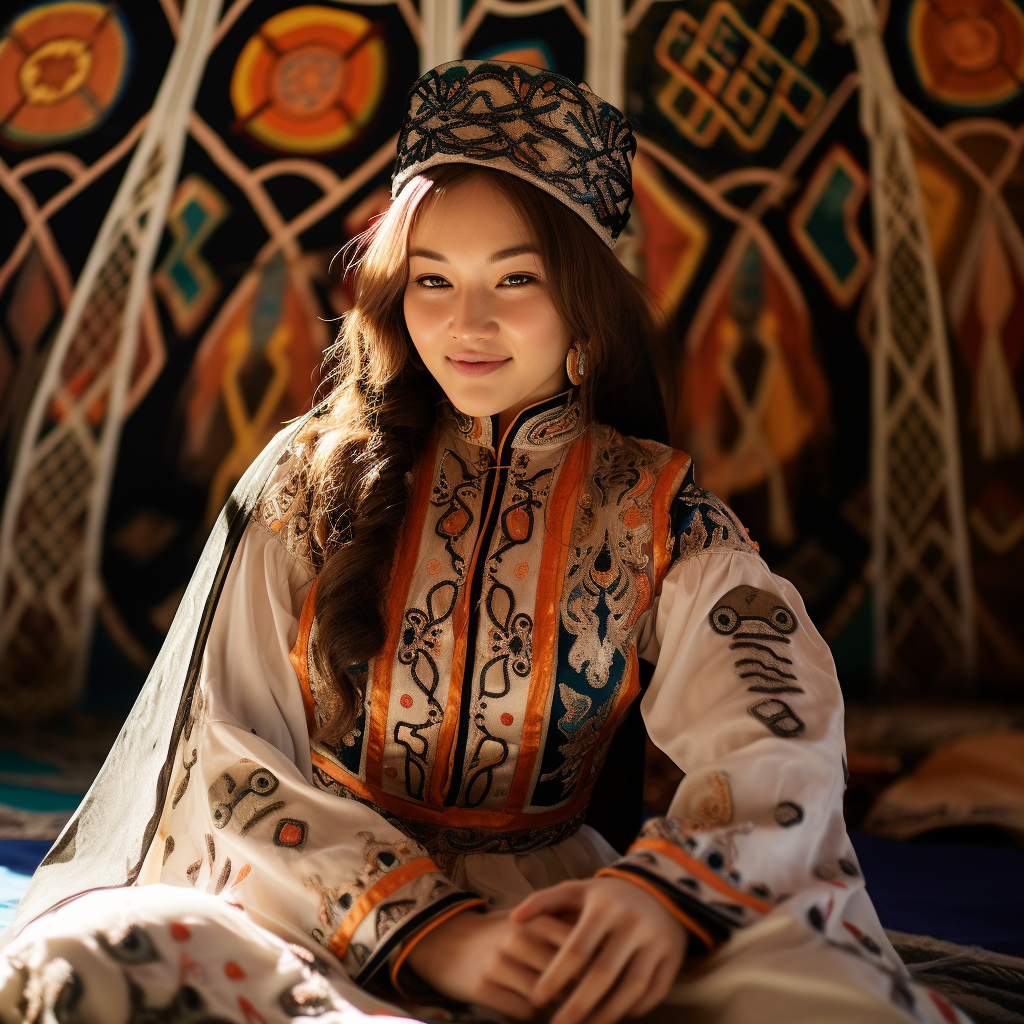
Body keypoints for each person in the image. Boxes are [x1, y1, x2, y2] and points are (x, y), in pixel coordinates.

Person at [0, 60, 967, 1024]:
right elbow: (222, 752)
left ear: (585, 303)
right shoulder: (310, 486)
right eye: (433, 280)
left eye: (517, 278)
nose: (469, 323)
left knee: (826, 995)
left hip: (566, 925)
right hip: (310, 913)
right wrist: (440, 933)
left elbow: (774, 718)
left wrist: (663, 897)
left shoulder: (655, 509)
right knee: (91, 960)